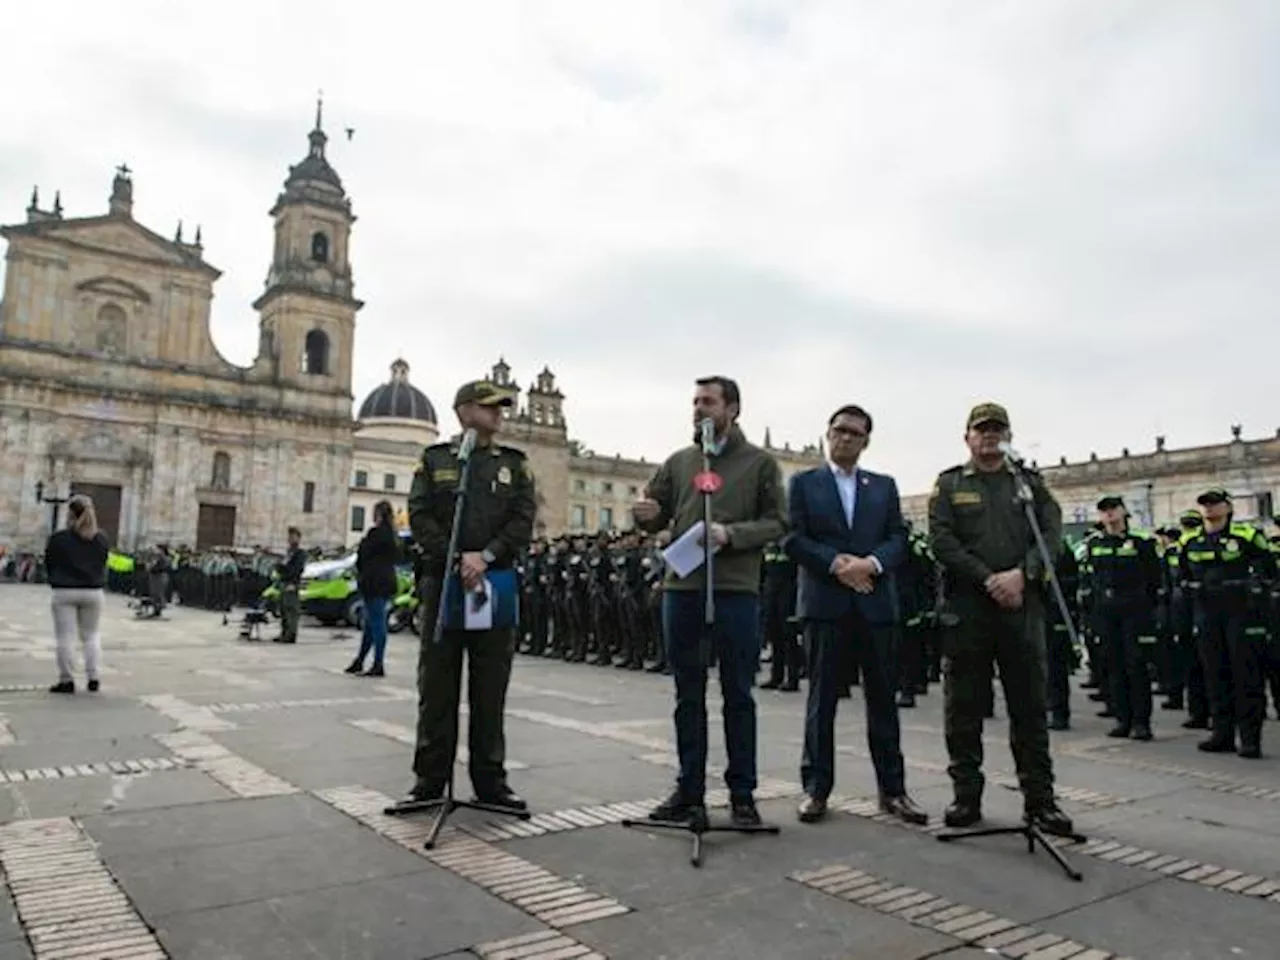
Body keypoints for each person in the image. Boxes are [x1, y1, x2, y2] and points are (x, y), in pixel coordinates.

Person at [632, 375, 786, 828]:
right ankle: (689, 790)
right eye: (695, 401)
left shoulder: (758, 463)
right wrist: (646, 517)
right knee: (687, 694)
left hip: (735, 591)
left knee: (738, 693)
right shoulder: (680, 462)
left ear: (732, 409)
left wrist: (732, 534)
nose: (698, 409)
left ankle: (742, 794)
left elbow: (779, 521)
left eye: (708, 402)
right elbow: (656, 510)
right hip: (683, 589)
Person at [927, 402, 1073, 834]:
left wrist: (1021, 576)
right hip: (968, 610)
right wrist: (989, 578)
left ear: (1009, 435)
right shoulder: (950, 484)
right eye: (982, 430)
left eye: (998, 429)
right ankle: (966, 798)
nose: (990, 436)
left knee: (1029, 709)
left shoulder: (1029, 485)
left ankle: (1040, 802)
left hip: (1020, 609)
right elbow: (942, 542)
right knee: (964, 711)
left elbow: (1052, 536)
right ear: (967, 436)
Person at [784, 404, 927, 825]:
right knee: (821, 701)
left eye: (854, 433)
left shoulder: (882, 486)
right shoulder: (805, 483)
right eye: (838, 430)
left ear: (866, 441)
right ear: (827, 434)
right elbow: (793, 537)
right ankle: (816, 789)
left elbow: (899, 538)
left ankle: (893, 791)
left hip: (875, 603)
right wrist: (837, 566)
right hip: (826, 605)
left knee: (883, 699)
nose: (844, 438)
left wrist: (871, 565)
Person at [404, 379, 536, 808]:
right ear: (464, 412)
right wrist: (458, 557)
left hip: (492, 586)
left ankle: (491, 782)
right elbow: (420, 516)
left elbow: (522, 519)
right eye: (489, 406)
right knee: (437, 689)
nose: (499, 413)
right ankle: (429, 781)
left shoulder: (514, 465)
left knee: (490, 688)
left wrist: (488, 555)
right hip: (445, 584)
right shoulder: (436, 459)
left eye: (502, 406)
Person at [1179, 488, 1276, 758]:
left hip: (1242, 613)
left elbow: (1269, 571)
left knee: (1246, 677)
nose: (1210, 509)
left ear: (1228, 507)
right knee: (1215, 675)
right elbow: (1184, 579)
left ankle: (1250, 739)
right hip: (1208, 615)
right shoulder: (1192, 542)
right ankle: (1222, 734)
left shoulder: (1247, 536)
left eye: (1215, 504)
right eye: (1205, 505)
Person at [1081, 495, 1162, 741]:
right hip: (1106, 612)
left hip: (1135, 612)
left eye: (1113, 509)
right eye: (1103, 511)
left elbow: (1154, 581)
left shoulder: (1141, 543)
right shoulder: (1094, 545)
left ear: (1124, 512)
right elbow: (1091, 583)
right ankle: (1122, 719)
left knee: (1136, 665)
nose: (1109, 514)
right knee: (1113, 666)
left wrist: (1151, 615)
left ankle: (1141, 722)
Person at [44, 495, 110, 694]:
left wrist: (55, 578)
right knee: (91, 636)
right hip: (93, 591)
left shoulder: (59, 538)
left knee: (66, 637)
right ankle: (94, 676)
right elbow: (103, 562)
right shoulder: (101, 538)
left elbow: (49, 562)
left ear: (70, 513)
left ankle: (67, 680)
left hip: (64, 591)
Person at [346, 500, 402, 677]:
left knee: (376, 624)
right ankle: (360, 660)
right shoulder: (392, 535)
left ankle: (378, 663)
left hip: (373, 582)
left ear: (378, 514)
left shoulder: (376, 534)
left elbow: (363, 555)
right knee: (371, 623)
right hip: (385, 581)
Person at [272, 528, 306, 643]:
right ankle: (284, 633)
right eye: (290, 536)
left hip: (292, 583)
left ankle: (291, 635)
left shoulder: (300, 554)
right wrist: (279, 567)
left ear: (298, 538)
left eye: (293, 536)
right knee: (283, 609)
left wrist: (291, 581)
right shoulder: (289, 553)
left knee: (291, 610)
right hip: (284, 582)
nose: (291, 539)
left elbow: (297, 570)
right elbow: (284, 567)